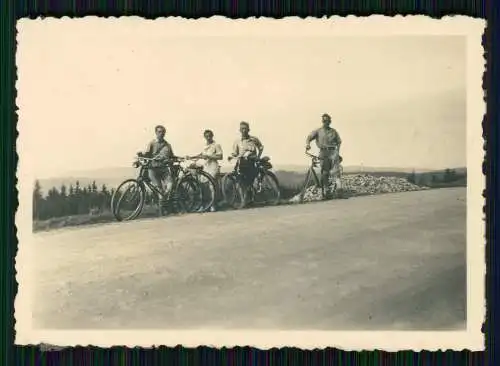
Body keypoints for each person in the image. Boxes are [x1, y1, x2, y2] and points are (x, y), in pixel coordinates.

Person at [305, 113, 343, 199]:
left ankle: (339, 190)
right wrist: (308, 144)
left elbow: (339, 142)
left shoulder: (333, 131)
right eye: (323, 121)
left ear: (329, 122)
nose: (325, 122)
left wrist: (337, 151)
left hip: (333, 152)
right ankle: (326, 191)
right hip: (323, 153)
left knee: (336, 172)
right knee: (325, 173)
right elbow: (309, 137)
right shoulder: (318, 131)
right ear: (322, 121)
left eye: (327, 121)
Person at [187, 129, 224, 212]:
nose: (208, 138)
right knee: (203, 186)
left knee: (212, 186)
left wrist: (209, 156)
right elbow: (201, 155)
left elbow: (220, 156)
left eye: (209, 136)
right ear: (204, 137)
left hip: (213, 166)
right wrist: (191, 157)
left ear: (212, 136)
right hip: (206, 167)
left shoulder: (216, 145)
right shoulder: (204, 146)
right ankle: (205, 205)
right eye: (206, 136)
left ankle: (213, 205)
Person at [229, 121, 264, 189]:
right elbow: (235, 153)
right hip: (241, 163)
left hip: (252, 162)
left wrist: (258, 157)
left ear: (248, 130)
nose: (244, 130)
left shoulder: (254, 139)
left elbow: (261, 147)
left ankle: (254, 194)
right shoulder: (237, 141)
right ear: (240, 130)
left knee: (252, 181)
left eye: (245, 128)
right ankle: (243, 198)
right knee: (240, 181)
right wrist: (232, 156)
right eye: (242, 129)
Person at [143, 124, 175, 195]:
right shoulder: (152, 143)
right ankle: (162, 201)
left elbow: (171, 156)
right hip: (153, 169)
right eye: (159, 132)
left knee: (170, 185)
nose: (161, 134)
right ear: (156, 133)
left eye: (163, 132)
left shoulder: (167, 145)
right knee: (159, 189)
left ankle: (165, 199)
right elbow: (147, 154)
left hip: (164, 169)